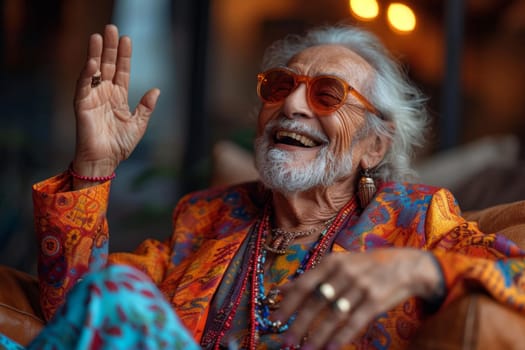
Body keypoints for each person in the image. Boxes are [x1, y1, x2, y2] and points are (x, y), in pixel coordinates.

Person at [7, 23, 525, 349]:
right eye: (282, 87)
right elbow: (73, 316)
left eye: (328, 95)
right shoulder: (205, 217)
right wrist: (94, 166)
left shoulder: (418, 219)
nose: (293, 106)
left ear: (375, 146)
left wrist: (421, 267)